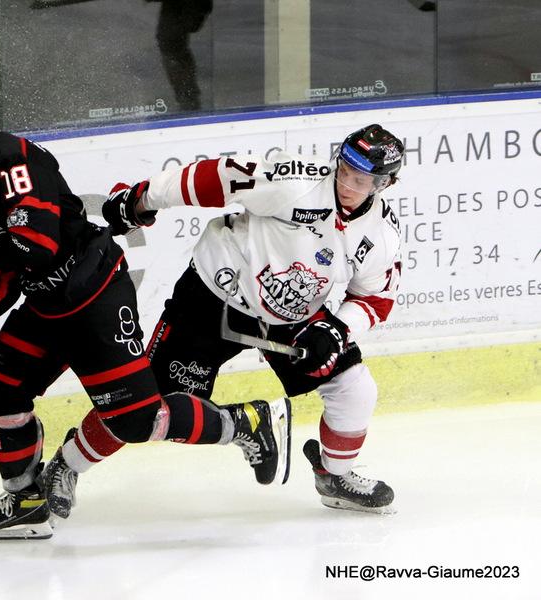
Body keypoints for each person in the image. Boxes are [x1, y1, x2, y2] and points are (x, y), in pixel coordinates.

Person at [0, 81, 292, 540]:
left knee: (136, 421)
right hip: (46, 304)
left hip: (94, 298)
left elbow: (36, 244)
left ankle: (246, 423)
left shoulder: (11, 157)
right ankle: (26, 502)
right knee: (1, 390)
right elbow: (5, 274)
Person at [45, 124, 403, 516]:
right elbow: (214, 178)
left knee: (355, 389)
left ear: (384, 184)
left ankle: (334, 476)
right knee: (144, 404)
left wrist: (336, 329)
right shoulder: (295, 181)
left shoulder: (382, 235)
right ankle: (66, 464)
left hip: (292, 315)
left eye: (360, 180)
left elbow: (374, 298)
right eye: (345, 170)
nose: (347, 183)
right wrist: (142, 199)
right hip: (214, 298)